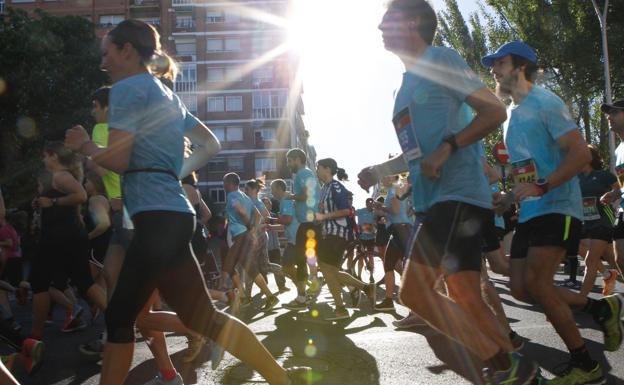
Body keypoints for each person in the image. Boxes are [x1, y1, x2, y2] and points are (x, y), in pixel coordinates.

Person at [65, 19, 309, 385]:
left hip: (158, 219)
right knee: (203, 317)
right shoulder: (168, 94)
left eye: (107, 54)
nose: (104, 63)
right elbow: (212, 145)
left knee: (119, 318)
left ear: (126, 51)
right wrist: (173, 172)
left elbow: (118, 159)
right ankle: (282, 379)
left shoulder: (127, 88)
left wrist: (84, 145)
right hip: (176, 213)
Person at [358, 2, 536, 384]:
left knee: (415, 295)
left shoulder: (440, 59)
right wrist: (378, 170)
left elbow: (492, 111)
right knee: (467, 296)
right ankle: (523, 372)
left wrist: (448, 147)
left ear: (413, 23)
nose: (379, 26)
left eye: (388, 19)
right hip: (434, 202)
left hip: (454, 196)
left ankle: (506, 366)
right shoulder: (403, 86)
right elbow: (414, 154)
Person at [484, 41, 622, 384]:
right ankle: (599, 308)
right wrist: (509, 198)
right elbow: (526, 172)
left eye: (499, 63)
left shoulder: (546, 102)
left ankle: (585, 364)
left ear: (519, 67)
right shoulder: (511, 116)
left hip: (559, 207)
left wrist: (544, 186)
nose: (493, 70)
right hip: (531, 211)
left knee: (538, 283)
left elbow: (578, 155)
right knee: (519, 288)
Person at [314, 159, 375, 320]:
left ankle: (341, 309)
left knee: (326, 269)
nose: (316, 170)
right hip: (329, 233)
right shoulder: (324, 188)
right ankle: (365, 288)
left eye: (318, 168)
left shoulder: (335, 186)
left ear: (327, 169)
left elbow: (346, 211)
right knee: (330, 271)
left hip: (337, 233)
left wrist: (324, 215)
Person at [576, 145, 618, 297]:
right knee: (612, 258)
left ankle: (581, 299)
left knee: (591, 259)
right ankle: (608, 274)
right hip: (585, 221)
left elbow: (619, 190)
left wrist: (611, 194)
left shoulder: (603, 175)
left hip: (603, 219)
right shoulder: (576, 178)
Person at [283, 149, 322, 310]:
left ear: (297, 159)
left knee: (300, 260)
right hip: (309, 223)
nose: (288, 164)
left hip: (308, 223)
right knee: (315, 261)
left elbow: (307, 194)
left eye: (289, 160)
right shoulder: (306, 173)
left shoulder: (302, 174)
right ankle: (358, 288)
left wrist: (290, 196)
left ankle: (301, 298)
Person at [374, 175, 412, 312]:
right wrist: (382, 212)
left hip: (400, 230)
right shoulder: (392, 189)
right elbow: (399, 211)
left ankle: (414, 299)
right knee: (390, 264)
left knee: (394, 264)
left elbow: (395, 210)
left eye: (383, 176)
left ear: (390, 177)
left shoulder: (395, 189)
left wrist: (382, 208)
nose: (381, 180)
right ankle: (389, 300)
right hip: (400, 229)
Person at [601, 99, 624, 278]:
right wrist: (615, 193)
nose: (609, 117)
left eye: (615, 112)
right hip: (623, 209)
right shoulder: (618, 150)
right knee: (620, 257)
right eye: (609, 113)